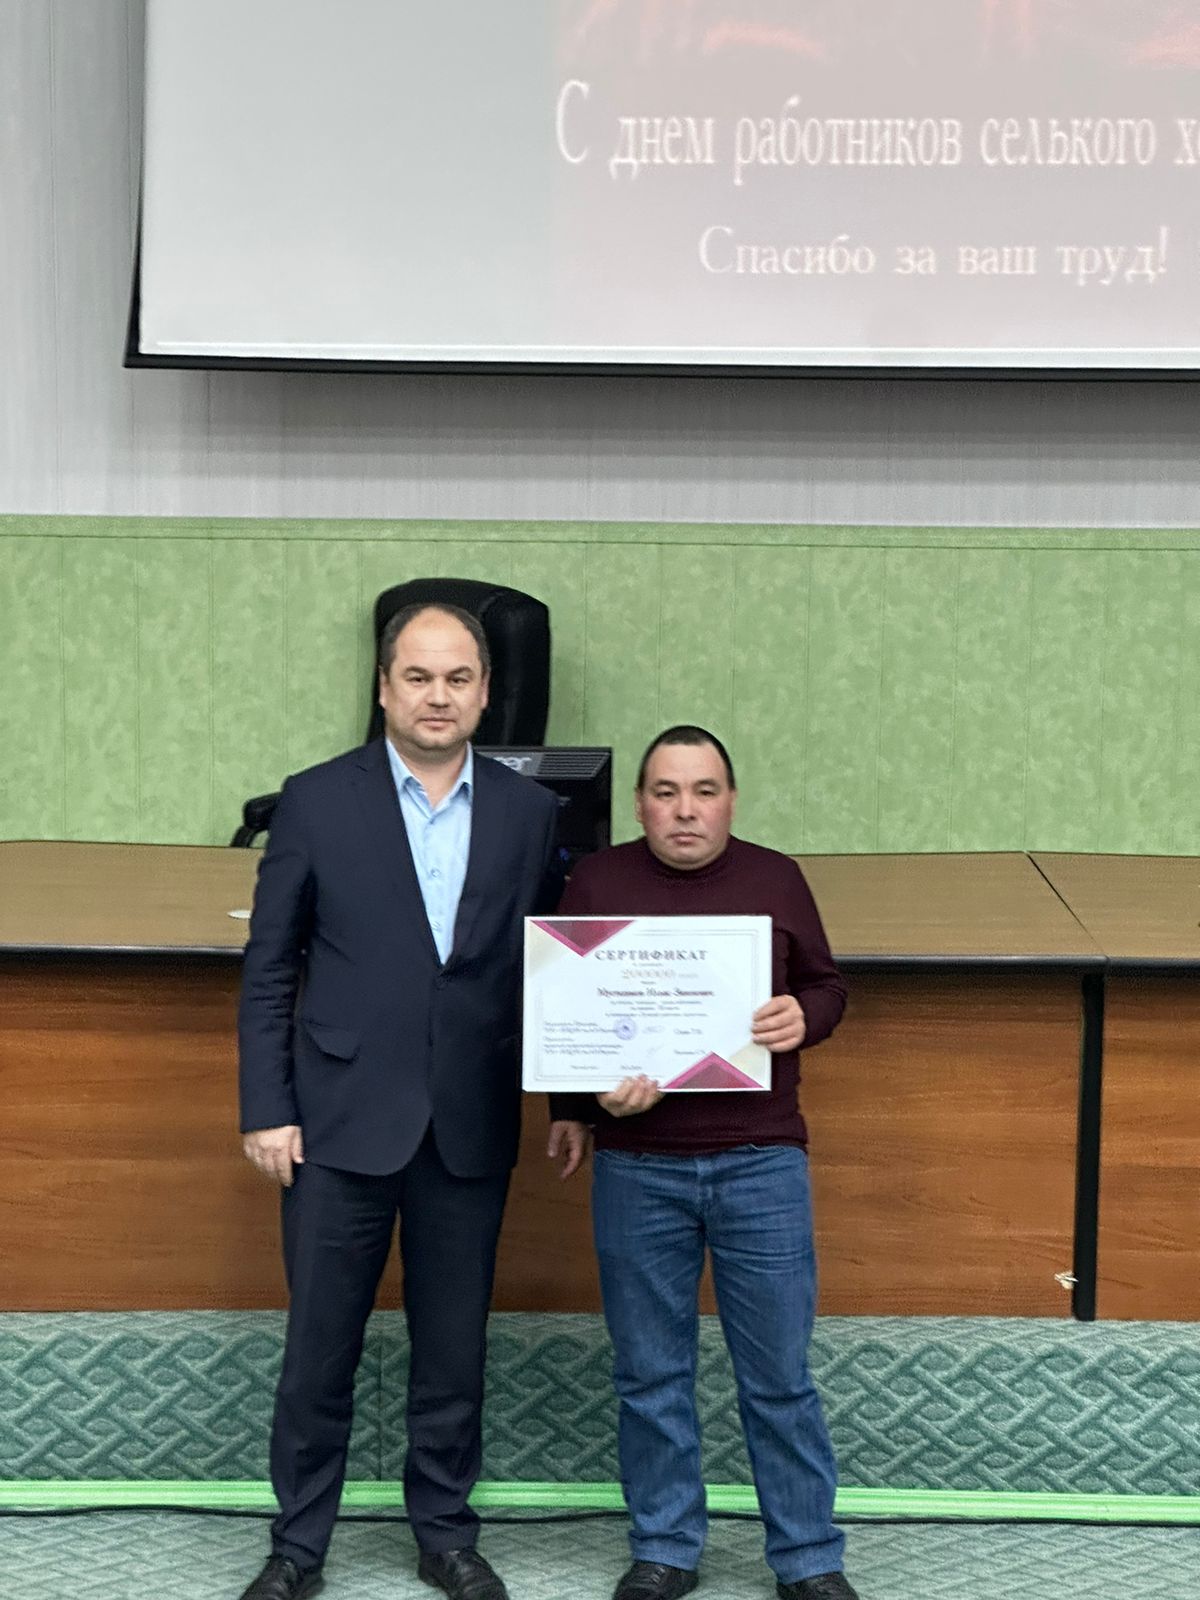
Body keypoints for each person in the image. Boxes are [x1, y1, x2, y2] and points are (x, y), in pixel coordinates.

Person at [236, 603, 560, 1600]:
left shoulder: (529, 813)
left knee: (453, 1351)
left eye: (458, 678)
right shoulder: (314, 800)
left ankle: (445, 1535)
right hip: (335, 1121)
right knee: (318, 1352)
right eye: (418, 677)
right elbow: (270, 968)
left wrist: (576, 1099)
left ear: (486, 693)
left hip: (468, 1122)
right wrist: (265, 1105)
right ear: (383, 688)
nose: (438, 697)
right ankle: (298, 1548)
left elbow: (549, 973)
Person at [547, 726, 858, 1600]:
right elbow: (566, 1009)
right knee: (650, 1375)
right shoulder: (595, 881)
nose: (685, 810)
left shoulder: (776, 878)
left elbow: (828, 986)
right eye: (666, 791)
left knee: (779, 1377)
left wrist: (806, 1016)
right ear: (639, 802)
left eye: (704, 791)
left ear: (731, 801)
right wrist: (576, 1105)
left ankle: (809, 1559)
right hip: (638, 1165)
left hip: (761, 1163)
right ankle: (664, 1549)